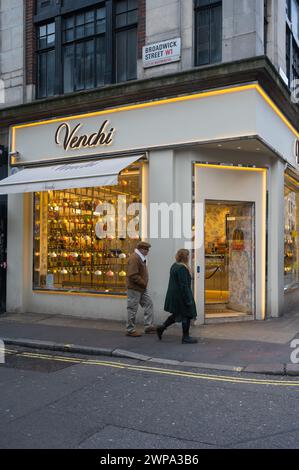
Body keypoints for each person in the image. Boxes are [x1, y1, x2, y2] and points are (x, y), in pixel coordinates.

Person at [157, 249, 198, 344]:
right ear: (185, 257)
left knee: (177, 314)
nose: (189, 257)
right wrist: (188, 299)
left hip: (174, 295)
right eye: (188, 255)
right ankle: (185, 337)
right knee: (187, 315)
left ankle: (161, 328)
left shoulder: (174, 265)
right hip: (180, 295)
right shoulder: (182, 268)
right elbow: (184, 286)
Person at [126, 241, 156, 337]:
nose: (148, 251)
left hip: (141, 288)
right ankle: (130, 330)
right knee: (132, 308)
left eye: (148, 249)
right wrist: (143, 283)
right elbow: (132, 274)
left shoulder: (140, 258)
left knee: (148, 303)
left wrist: (143, 285)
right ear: (141, 249)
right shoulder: (135, 258)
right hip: (135, 288)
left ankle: (148, 326)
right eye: (146, 249)